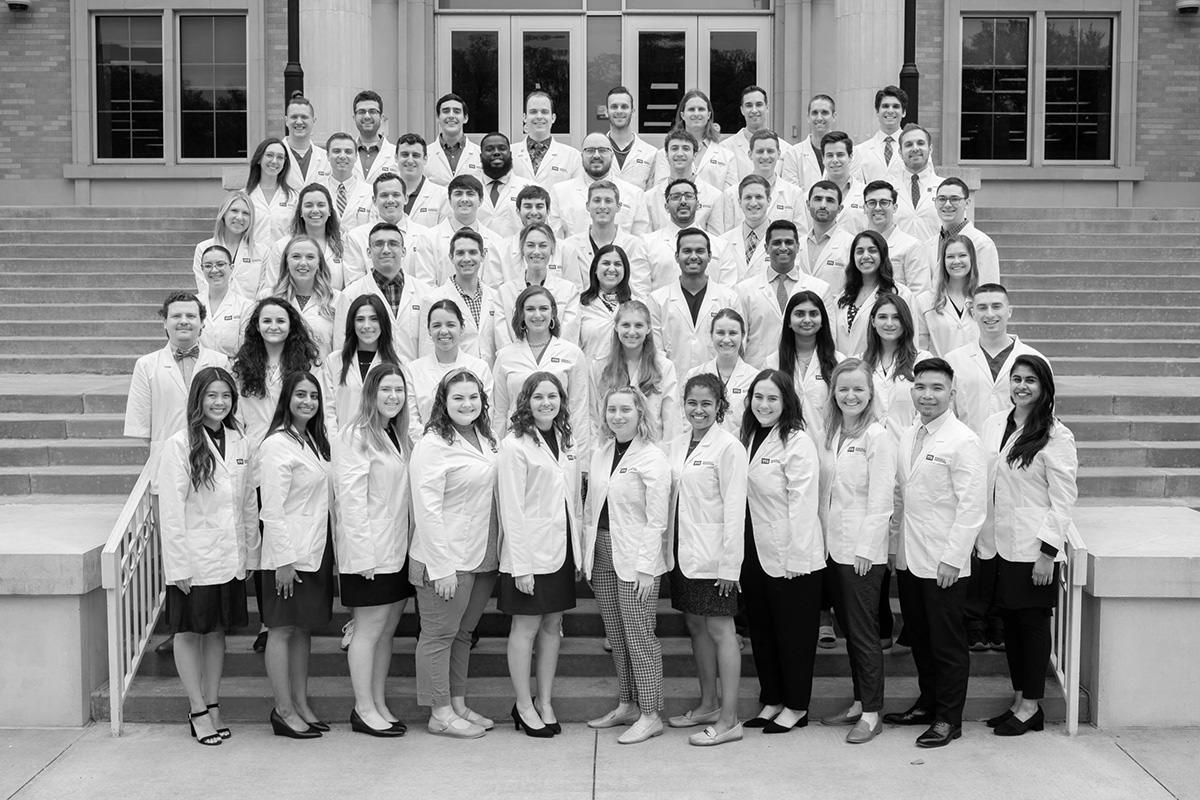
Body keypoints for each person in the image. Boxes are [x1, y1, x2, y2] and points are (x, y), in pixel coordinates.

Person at [884, 357, 986, 748]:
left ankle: (948, 718)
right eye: (921, 387)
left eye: (937, 388)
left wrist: (953, 558)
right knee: (922, 640)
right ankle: (927, 704)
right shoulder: (911, 434)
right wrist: (895, 547)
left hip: (944, 563)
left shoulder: (963, 440)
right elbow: (903, 495)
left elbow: (972, 507)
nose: (927, 395)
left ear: (951, 393)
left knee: (946, 644)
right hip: (911, 558)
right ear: (912, 391)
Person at [980, 354, 1078, 737]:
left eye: (1030, 381)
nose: (1021, 386)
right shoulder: (995, 424)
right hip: (1000, 544)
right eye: (1016, 379)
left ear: (1044, 388)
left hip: (1033, 548)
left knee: (1032, 627)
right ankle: (1019, 700)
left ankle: (1032, 706)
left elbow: (1064, 498)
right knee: (1012, 627)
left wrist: (1047, 553)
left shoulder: (1056, 434)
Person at [158, 366, 256, 746]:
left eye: (226, 396)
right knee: (187, 632)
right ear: (198, 399)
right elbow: (170, 509)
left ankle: (213, 705)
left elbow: (247, 502)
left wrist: (249, 553)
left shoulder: (240, 440)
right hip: (194, 558)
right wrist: (178, 564)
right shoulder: (180, 444)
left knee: (217, 632)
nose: (219, 402)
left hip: (229, 556)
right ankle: (197, 708)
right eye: (212, 395)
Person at [409, 368, 500, 739]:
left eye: (474, 397)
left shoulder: (486, 438)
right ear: (443, 403)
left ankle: (457, 702)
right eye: (458, 398)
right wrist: (441, 567)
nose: (467, 404)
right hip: (444, 558)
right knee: (438, 635)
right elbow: (425, 508)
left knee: (463, 633)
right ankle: (439, 712)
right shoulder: (432, 444)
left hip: (481, 554)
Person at [497, 372, 584, 737]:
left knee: (552, 627)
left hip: (561, 550)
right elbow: (511, 507)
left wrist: (578, 555)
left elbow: (573, 500)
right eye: (538, 397)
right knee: (526, 627)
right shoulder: (514, 444)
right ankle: (522, 703)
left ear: (562, 400)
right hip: (528, 553)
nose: (546, 403)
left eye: (553, 396)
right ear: (525, 402)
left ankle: (545, 700)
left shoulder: (566, 439)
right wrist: (521, 565)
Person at [583, 386, 671, 744]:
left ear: (640, 413)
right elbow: (590, 508)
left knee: (640, 638)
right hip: (603, 553)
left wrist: (648, 567)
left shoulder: (653, 457)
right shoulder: (602, 452)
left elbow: (657, 520)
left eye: (625, 410)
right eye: (612, 410)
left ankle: (650, 714)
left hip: (636, 558)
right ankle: (627, 704)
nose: (617, 416)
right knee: (617, 638)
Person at [738, 368, 823, 735]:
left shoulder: (796, 440)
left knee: (794, 636)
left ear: (786, 401)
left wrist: (797, 558)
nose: (764, 404)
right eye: (758, 397)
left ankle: (796, 705)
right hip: (755, 552)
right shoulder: (748, 436)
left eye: (772, 398)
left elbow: (804, 502)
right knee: (763, 631)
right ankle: (772, 699)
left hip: (792, 557)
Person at [332, 363, 415, 737]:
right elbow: (349, 500)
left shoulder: (397, 435)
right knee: (368, 630)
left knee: (387, 631)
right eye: (385, 390)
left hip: (397, 550)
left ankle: (378, 702)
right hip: (369, 553)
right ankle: (362, 708)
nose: (393, 396)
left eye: (398, 390)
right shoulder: (355, 435)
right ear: (370, 394)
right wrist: (363, 557)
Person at [818, 359, 897, 743]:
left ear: (870, 394)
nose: (850, 395)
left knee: (864, 633)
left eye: (858, 389)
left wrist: (866, 548)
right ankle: (858, 700)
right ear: (833, 392)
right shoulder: (834, 432)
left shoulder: (878, 436)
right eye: (843, 388)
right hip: (835, 548)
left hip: (862, 553)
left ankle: (872, 712)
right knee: (850, 630)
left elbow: (882, 500)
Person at [668, 373, 748, 746]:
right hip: (685, 553)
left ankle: (730, 719)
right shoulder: (676, 443)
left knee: (721, 631)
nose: (698, 410)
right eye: (692, 403)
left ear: (720, 407)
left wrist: (730, 565)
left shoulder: (729, 447)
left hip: (716, 557)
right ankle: (708, 704)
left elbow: (735, 509)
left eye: (706, 403)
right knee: (696, 627)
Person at [258, 370, 335, 739]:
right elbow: (271, 509)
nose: (308, 401)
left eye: (314, 396)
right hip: (287, 556)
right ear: (286, 398)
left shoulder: (313, 440)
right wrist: (284, 561)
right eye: (301, 394)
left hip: (315, 549)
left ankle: (302, 703)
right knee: (281, 629)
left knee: (303, 630)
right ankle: (283, 709)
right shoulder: (276, 444)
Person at [124, 292, 231, 485]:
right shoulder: (146, 365)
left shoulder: (220, 362)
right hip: (167, 460)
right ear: (164, 322)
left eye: (191, 316)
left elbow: (230, 414)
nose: (184, 321)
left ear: (202, 322)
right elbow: (141, 424)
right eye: (176, 316)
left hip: (213, 455)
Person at [492, 285, 590, 462]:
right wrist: (496, 455)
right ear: (521, 314)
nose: (537, 315)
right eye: (530, 309)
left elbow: (579, 410)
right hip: (516, 447)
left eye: (543, 308)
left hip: (559, 446)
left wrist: (581, 463)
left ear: (553, 313)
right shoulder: (505, 356)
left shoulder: (572, 354)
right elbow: (499, 411)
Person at [946, 283, 1047, 435]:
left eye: (996, 306)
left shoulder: (1036, 359)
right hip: (968, 450)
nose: (990, 314)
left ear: (1009, 311)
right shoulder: (954, 360)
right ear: (973, 313)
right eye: (982, 308)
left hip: (1020, 449)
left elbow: (1046, 412)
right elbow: (947, 413)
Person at [648, 228, 739, 379]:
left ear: (710, 256)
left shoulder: (729, 299)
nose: (693, 256)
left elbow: (735, 347)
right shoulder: (657, 300)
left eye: (700, 251)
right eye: (687, 251)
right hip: (672, 385)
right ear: (677, 257)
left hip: (717, 385)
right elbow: (655, 353)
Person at [333, 222, 430, 362]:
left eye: (393, 244)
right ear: (368, 252)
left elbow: (429, 345)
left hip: (415, 377)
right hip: (370, 379)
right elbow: (342, 347)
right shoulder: (350, 295)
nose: (386, 250)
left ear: (403, 251)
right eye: (379, 244)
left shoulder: (425, 293)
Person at [232, 297, 321, 450]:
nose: (273, 327)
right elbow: (237, 414)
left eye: (280, 321)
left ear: (291, 326)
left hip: (297, 445)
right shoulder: (242, 365)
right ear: (258, 326)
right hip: (253, 446)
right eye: (267, 321)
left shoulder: (308, 363)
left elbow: (318, 406)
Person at [589, 300, 679, 445]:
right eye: (625, 325)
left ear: (649, 328)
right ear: (616, 327)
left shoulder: (664, 367)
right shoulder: (599, 366)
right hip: (610, 452)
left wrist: (668, 461)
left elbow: (672, 421)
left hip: (651, 452)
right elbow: (594, 418)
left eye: (638, 325)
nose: (632, 332)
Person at [408, 299, 494, 437]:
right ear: (429, 330)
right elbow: (411, 422)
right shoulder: (414, 370)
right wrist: (434, 446)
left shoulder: (479, 368)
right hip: (428, 449)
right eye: (436, 325)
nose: (443, 331)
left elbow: (486, 416)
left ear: (462, 328)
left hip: (471, 450)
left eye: (450, 325)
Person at [320, 293, 403, 436]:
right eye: (360, 319)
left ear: (383, 323)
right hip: (344, 446)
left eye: (374, 319)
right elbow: (328, 411)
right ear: (352, 324)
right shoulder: (334, 361)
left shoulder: (399, 364)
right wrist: (335, 446)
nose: (366, 326)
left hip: (383, 447)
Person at [769, 289, 843, 444]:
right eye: (800, 314)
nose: (807, 319)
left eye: (814, 314)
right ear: (788, 321)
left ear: (823, 320)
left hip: (827, 446)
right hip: (783, 446)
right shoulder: (772, 363)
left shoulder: (839, 362)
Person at [417, 228, 500, 363]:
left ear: (483, 255)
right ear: (451, 257)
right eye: (460, 253)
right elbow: (427, 353)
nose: (466, 258)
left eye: (473, 252)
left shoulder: (496, 298)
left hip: (490, 378)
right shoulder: (433, 299)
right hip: (452, 380)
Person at [559, 181, 652, 299]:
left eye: (608, 201)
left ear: (618, 207)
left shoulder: (635, 245)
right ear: (587, 206)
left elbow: (640, 292)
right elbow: (570, 292)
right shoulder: (570, 245)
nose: (602, 206)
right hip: (583, 313)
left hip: (625, 313)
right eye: (597, 200)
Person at [495, 223, 581, 347]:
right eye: (530, 245)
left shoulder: (568, 291)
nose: (536, 251)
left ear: (552, 249)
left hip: (557, 362)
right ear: (522, 249)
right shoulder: (505, 292)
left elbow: (568, 339)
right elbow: (502, 340)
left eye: (543, 246)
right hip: (514, 363)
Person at [549, 132, 650, 239]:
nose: (596, 155)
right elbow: (556, 242)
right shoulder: (560, 192)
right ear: (582, 155)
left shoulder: (634, 194)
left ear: (612, 155)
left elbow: (640, 242)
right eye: (590, 150)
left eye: (602, 150)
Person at [833, 229, 917, 357]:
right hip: (844, 371)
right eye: (860, 251)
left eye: (872, 250)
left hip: (882, 372)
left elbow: (911, 341)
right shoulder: (843, 297)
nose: (865, 256)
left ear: (883, 256)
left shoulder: (901, 294)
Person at [411, 175, 504, 288]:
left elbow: (495, 287)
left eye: (470, 194)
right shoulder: (428, 239)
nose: (464, 199)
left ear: (480, 201)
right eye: (458, 194)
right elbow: (426, 286)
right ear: (449, 200)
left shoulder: (497, 241)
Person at [645, 180, 739, 290]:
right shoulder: (647, 244)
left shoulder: (721, 246)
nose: (683, 201)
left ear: (698, 205)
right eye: (676, 197)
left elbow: (728, 292)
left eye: (689, 196)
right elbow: (640, 291)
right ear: (666, 206)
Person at [862, 293, 931, 438]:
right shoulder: (859, 363)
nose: (889, 323)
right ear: (873, 321)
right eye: (882, 317)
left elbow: (928, 407)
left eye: (896, 317)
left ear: (905, 321)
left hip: (909, 446)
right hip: (867, 446)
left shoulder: (922, 360)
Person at [712, 129, 804, 236]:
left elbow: (800, 237)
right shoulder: (732, 194)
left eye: (770, 151)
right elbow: (726, 237)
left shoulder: (794, 194)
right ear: (750, 154)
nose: (765, 156)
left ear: (779, 154)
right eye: (760, 151)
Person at [342, 172, 429, 284]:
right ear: (374, 200)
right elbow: (354, 284)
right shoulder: (356, 237)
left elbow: (426, 283)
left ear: (406, 198)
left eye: (396, 195)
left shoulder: (425, 235)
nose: (390, 200)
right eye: (384, 195)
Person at [685, 308, 758, 434]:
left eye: (733, 333)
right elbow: (684, 421)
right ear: (711, 335)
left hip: (739, 448)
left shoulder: (755, 378)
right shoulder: (694, 374)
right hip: (701, 448)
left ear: (743, 336)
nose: (726, 339)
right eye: (720, 333)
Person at [266, 234, 340, 356]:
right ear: (286, 262)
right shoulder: (268, 297)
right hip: (279, 373)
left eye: (310, 257)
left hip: (321, 374)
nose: (303, 263)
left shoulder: (336, 299)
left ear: (319, 263)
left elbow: (339, 352)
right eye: (296, 256)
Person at [269, 183, 346, 291]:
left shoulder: (344, 245)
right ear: (300, 211)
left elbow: (349, 288)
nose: (315, 210)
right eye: (309, 205)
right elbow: (272, 288)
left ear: (329, 211)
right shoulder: (281, 246)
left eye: (321, 205)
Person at [651, 89, 734, 191]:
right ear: (682, 115)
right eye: (691, 109)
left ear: (708, 115)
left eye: (701, 109)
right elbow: (660, 190)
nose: (696, 113)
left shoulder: (727, 156)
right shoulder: (663, 154)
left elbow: (729, 195)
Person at [923, 177, 999, 285]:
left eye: (954, 199)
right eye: (942, 199)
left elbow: (988, 290)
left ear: (967, 203)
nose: (948, 204)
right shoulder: (928, 245)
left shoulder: (982, 244)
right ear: (935, 203)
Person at [645, 130, 723, 235]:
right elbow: (646, 239)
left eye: (686, 149)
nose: (680, 154)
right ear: (666, 155)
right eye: (674, 148)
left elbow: (716, 240)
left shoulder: (714, 196)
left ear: (695, 154)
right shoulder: (649, 197)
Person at [863, 179, 932, 296]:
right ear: (864, 208)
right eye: (872, 202)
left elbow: (919, 295)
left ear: (895, 207)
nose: (878, 208)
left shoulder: (912, 246)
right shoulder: (856, 245)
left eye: (884, 202)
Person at [191, 191, 266, 299]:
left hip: (251, 312)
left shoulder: (262, 252)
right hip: (216, 312)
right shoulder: (203, 248)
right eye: (234, 211)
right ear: (224, 213)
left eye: (246, 213)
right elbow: (205, 288)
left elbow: (263, 291)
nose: (240, 217)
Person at [918, 234, 981, 357]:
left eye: (962, 255)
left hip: (976, 373)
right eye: (950, 256)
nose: (956, 261)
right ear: (943, 261)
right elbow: (921, 349)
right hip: (939, 373)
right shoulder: (925, 301)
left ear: (972, 259)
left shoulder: (982, 299)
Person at [511, 90, 582, 188]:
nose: (539, 116)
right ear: (524, 117)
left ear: (553, 118)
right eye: (533, 112)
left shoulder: (573, 157)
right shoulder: (510, 153)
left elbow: (576, 194)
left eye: (544, 112)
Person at [722, 85, 792, 183]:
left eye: (759, 104)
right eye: (749, 105)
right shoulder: (726, 148)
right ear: (742, 110)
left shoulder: (786, 149)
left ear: (767, 108)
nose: (754, 110)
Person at [494, 185, 562, 286]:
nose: (534, 212)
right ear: (518, 211)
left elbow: (573, 290)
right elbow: (495, 292)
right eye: (528, 206)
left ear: (548, 211)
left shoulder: (565, 249)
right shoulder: (499, 250)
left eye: (539, 206)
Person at [578, 244, 634, 363]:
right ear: (595, 269)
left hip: (625, 376)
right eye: (606, 263)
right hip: (589, 376)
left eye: (618, 264)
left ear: (625, 270)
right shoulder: (580, 305)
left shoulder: (635, 305)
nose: (612, 269)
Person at [196, 245, 255, 358]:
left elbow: (247, 349)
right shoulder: (193, 304)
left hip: (232, 371)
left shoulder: (245, 306)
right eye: (208, 266)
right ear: (202, 269)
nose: (214, 270)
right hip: (198, 371)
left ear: (231, 268)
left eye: (220, 264)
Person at [798, 180, 854, 291]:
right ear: (808, 205)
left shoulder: (851, 244)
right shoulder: (798, 244)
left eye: (830, 200)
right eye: (818, 199)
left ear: (839, 209)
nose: (823, 205)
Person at [892, 124, 942, 243]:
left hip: (934, 258)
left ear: (930, 149)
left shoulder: (945, 188)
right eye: (908, 145)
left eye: (920, 143)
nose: (915, 148)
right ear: (900, 152)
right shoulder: (888, 189)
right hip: (897, 259)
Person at [781, 94, 839, 195]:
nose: (819, 118)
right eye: (814, 113)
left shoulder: (849, 152)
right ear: (808, 117)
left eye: (824, 113)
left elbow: (851, 190)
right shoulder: (793, 154)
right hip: (804, 210)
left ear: (834, 116)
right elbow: (791, 194)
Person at [604, 85, 658, 191]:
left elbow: (652, 195)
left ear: (632, 111)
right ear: (606, 112)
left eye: (624, 107)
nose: (619, 111)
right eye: (614, 107)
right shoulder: (596, 151)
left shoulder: (650, 153)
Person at [477, 132, 530, 238]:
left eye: (502, 148)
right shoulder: (469, 188)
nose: (496, 152)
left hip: (516, 252)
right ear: (480, 156)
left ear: (510, 154)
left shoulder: (528, 188)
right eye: (489, 149)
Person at [718, 175, 772, 278]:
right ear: (739, 202)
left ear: (769, 201)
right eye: (748, 197)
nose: (753, 203)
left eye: (759, 197)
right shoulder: (723, 241)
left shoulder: (782, 240)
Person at [854, 86, 908, 188]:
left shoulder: (916, 149)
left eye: (896, 106)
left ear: (904, 112)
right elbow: (857, 189)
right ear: (877, 111)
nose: (890, 110)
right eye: (885, 106)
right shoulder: (860, 151)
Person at [246, 137, 297, 244]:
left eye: (280, 157)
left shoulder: (294, 197)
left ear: (284, 162)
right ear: (259, 159)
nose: (274, 161)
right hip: (252, 257)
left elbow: (298, 233)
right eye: (269, 155)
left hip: (282, 257)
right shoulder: (244, 196)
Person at [393, 133, 450, 229]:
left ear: (425, 159)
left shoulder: (442, 196)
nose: (410, 160)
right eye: (405, 155)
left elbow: (443, 237)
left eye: (415, 155)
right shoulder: (384, 193)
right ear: (396, 157)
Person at [321, 132, 375, 232]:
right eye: (336, 151)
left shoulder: (370, 193)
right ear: (328, 155)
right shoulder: (317, 191)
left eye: (348, 152)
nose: (342, 156)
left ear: (356, 157)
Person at [426, 93, 483, 187]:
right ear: (437, 117)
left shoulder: (480, 154)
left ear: (465, 118)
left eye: (456, 111)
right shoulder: (426, 155)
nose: (451, 115)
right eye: (446, 111)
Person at [822, 131, 868, 237]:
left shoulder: (865, 194)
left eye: (840, 155)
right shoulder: (810, 196)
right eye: (829, 155)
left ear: (850, 157)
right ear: (823, 159)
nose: (835, 160)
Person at [282, 93, 330, 192]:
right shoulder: (275, 155)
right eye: (294, 117)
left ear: (314, 120)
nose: (299, 122)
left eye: (304, 117)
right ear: (286, 121)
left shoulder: (326, 159)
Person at [350, 89, 398, 187]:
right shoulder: (346, 153)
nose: (367, 116)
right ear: (354, 117)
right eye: (361, 112)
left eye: (372, 111)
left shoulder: (396, 155)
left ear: (381, 117)